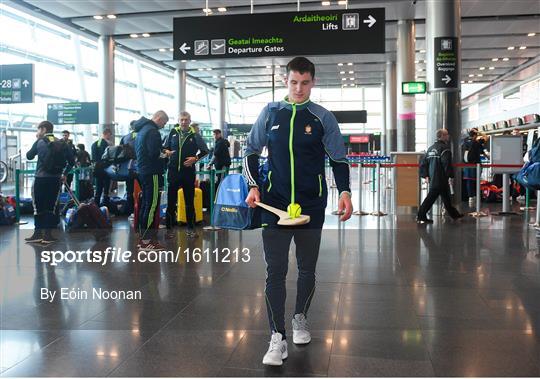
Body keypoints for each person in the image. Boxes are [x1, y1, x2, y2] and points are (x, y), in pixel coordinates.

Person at [243, 57, 353, 366]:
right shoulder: (270, 113)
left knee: (306, 268)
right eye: (293, 82)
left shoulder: (322, 118)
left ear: (313, 82)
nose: (299, 88)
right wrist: (253, 185)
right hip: (274, 204)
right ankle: (277, 337)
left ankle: (300, 317)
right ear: (286, 81)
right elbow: (251, 150)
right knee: (275, 271)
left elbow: (339, 159)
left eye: (304, 83)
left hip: (311, 205)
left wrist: (344, 192)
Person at [25, 121, 75, 244]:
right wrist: (64, 174)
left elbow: (29, 156)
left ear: (43, 129)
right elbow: (72, 162)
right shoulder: (62, 143)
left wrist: (37, 140)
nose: (37, 132)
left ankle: (37, 233)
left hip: (40, 179)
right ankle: (48, 235)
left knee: (38, 206)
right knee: (51, 206)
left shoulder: (40, 141)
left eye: (38, 129)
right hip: (55, 179)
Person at [163, 111, 209, 238]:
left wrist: (196, 158)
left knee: (189, 202)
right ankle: (169, 229)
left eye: (186, 120)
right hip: (173, 172)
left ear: (189, 121)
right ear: (178, 120)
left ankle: (191, 228)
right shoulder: (172, 133)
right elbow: (163, 148)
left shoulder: (195, 135)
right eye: (181, 120)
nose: (183, 122)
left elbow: (205, 151)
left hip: (188, 173)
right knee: (171, 202)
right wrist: (166, 151)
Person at [133, 110, 169, 250]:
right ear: (159, 119)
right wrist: (165, 154)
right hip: (152, 171)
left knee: (146, 204)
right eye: (164, 123)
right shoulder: (153, 132)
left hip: (143, 170)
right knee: (152, 204)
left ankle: (144, 237)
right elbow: (154, 153)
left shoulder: (142, 130)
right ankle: (146, 240)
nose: (163, 126)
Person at [417, 128, 464, 223]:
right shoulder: (445, 149)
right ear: (442, 136)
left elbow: (423, 163)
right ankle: (421, 215)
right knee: (430, 198)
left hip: (433, 178)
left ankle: (454, 214)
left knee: (446, 198)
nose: (448, 136)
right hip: (441, 178)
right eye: (446, 135)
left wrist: (426, 175)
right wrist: (450, 176)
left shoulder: (430, 149)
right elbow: (446, 163)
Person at [462, 128, 486, 205]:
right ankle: (477, 196)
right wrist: (479, 132)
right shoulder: (476, 143)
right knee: (477, 180)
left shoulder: (464, 141)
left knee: (469, 181)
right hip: (476, 165)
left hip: (466, 165)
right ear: (475, 135)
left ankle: (470, 197)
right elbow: (486, 137)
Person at [120, 123, 138, 215]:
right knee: (144, 188)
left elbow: (121, 151)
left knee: (129, 189)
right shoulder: (142, 136)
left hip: (128, 167)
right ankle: (139, 209)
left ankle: (130, 209)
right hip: (140, 166)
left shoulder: (125, 137)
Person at [91, 128, 112, 207]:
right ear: (107, 134)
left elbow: (93, 158)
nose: (110, 137)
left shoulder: (94, 144)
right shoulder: (107, 144)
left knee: (98, 187)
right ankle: (106, 205)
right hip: (106, 169)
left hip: (96, 169)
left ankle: (96, 205)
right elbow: (109, 158)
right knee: (106, 187)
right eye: (110, 135)